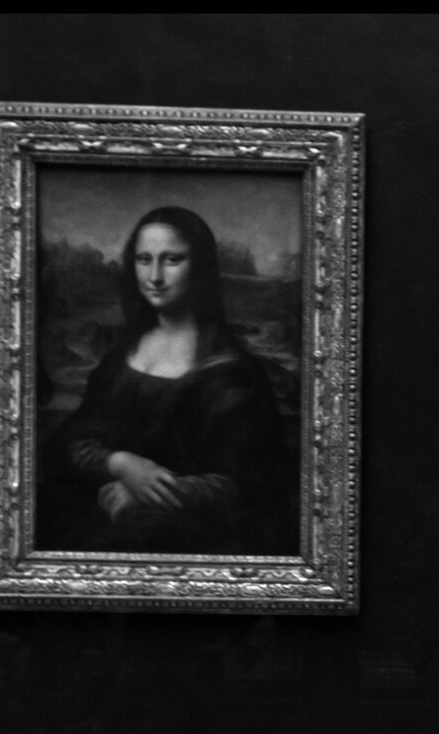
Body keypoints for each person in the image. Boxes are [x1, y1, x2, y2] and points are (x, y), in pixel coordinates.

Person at [42, 205, 295, 556]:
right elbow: (73, 442)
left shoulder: (231, 373)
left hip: (194, 537)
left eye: (172, 260)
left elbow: (250, 483)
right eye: (144, 259)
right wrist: (121, 463)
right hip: (99, 517)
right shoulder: (120, 357)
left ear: (201, 268)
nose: (155, 276)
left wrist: (148, 491)